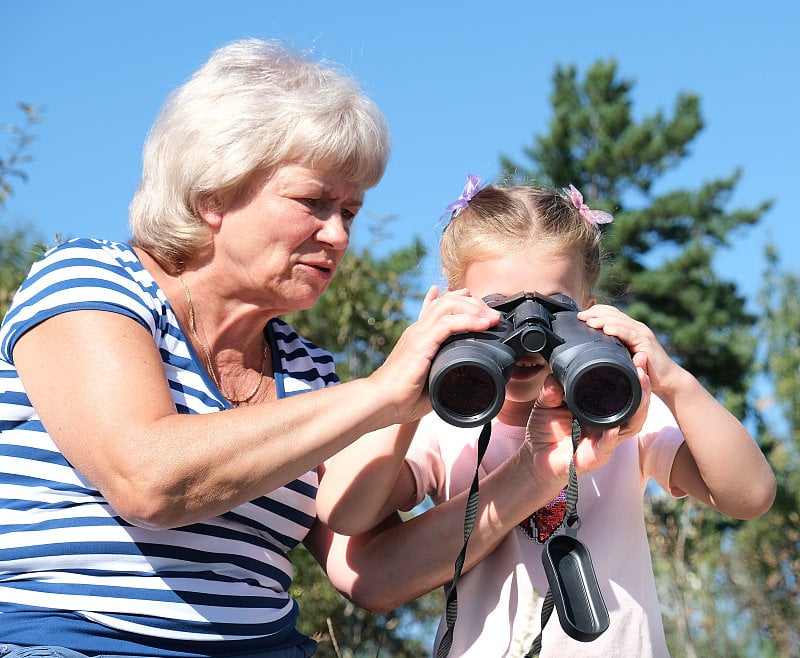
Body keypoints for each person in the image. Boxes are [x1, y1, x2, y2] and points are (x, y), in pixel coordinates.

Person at [0, 42, 503, 657]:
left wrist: (543, 469)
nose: (337, 234)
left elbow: (372, 574)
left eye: (349, 210)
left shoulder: (307, 372)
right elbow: (148, 480)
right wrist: (379, 395)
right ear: (214, 193)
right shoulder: (92, 281)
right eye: (312, 201)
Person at [316, 177, 777, 657]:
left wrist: (675, 382)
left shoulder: (620, 412)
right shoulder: (445, 424)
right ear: (452, 310)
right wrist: (408, 390)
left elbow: (748, 495)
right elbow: (343, 512)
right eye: (500, 309)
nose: (528, 328)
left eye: (556, 311)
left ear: (591, 315)